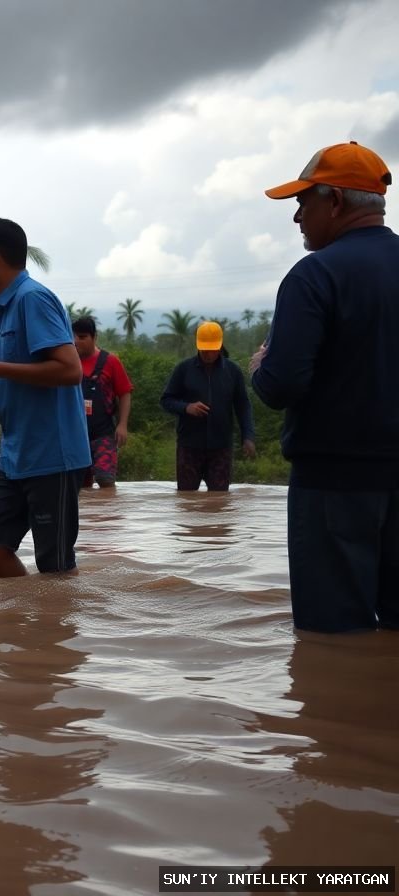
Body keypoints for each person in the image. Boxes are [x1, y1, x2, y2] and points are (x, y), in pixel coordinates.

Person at [249, 140, 397, 633]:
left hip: (335, 483)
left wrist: (258, 366)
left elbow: (280, 386)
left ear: (334, 202)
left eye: (302, 202)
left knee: (334, 639)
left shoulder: (315, 276)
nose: (296, 218)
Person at [0, 218, 90, 577]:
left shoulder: (33, 299)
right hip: (16, 457)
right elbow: (23, 383)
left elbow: (69, 370)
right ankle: (22, 623)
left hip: (52, 457)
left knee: (56, 567)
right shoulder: (9, 308)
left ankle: (55, 629)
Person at [160, 321, 256, 492]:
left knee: (219, 503)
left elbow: (243, 406)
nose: (208, 353)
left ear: (220, 346)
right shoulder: (184, 369)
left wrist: (248, 436)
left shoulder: (232, 371)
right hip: (189, 447)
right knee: (186, 502)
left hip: (221, 448)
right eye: (204, 348)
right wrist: (186, 407)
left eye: (212, 349)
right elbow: (166, 400)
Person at [71, 315, 133, 489]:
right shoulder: (68, 362)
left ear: (94, 337)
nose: (76, 342)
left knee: (106, 481)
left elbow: (125, 393)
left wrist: (122, 424)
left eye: (82, 337)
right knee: (79, 487)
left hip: (104, 434)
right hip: (75, 436)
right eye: (73, 337)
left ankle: (107, 515)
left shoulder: (110, 361)